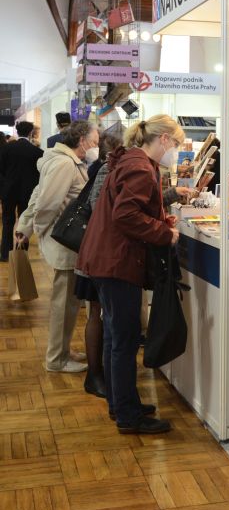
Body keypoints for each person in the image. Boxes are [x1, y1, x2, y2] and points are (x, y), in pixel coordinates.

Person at [76, 115, 183, 435]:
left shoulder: (132, 161)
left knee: (115, 336)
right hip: (117, 261)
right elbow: (126, 214)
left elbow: (126, 210)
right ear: (163, 139)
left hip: (108, 258)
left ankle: (120, 402)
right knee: (123, 339)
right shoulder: (139, 167)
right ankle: (128, 415)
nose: (176, 150)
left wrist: (159, 221)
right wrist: (164, 233)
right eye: (176, 143)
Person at [33, 120, 99, 373]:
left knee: (69, 303)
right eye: (94, 142)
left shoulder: (70, 162)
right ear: (82, 141)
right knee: (63, 304)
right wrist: (41, 230)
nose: (96, 146)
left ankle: (63, 349)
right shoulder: (64, 163)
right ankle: (56, 359)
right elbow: (47, 202)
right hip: (64, 243)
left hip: (67, 243)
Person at [74, 131, 123, 398]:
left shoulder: (100, 168)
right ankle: (95, 375)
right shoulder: (106, 169)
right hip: (98, 254)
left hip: (96, 252)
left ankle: (99, 374)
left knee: (98, 313)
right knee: (96, 313)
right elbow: (101, 209)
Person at [0, 121, 43, 261]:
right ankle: (22, 254)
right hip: (27, 193)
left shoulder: (6, 149)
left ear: (17, 132)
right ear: (31, 133)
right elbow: (39, 174)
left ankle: (5, 254)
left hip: (8, 191)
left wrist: (3, 188)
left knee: (7, 221)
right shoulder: (37, 152)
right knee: (25, 222)